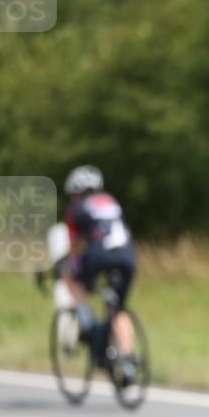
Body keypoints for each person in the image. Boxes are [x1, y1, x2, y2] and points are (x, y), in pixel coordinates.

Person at [61, 165, 138, 384]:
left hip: (99, 255)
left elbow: (76, 246)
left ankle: (87, 320)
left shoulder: (75, 210)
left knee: (69, 274)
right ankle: (127, 360)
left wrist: (68, 264)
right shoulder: (111, 202)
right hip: (127, 255)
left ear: (76, 192)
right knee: (119, 309)